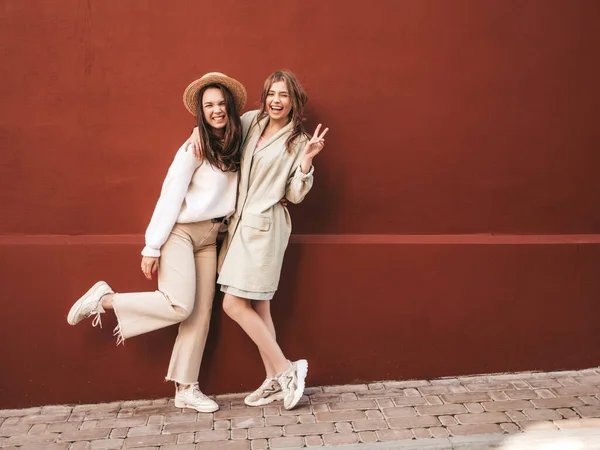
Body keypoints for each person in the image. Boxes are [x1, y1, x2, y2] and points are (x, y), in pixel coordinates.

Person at [67, 72, 246, 413]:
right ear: (201, 112)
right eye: (208, 106)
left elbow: (262, 121)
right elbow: (171, 193)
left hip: (211, 238)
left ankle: (186, 388)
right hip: (181, 231)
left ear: (231, 107)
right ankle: (104, 300)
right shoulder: (194, 147)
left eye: (221, 103)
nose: (216, 110)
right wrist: (152, 245)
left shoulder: (240, 140)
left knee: (201, 314)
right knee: (179, 304)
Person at [189, 70, 328, 410]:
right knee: (260, 305)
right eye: (271, 94)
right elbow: (222, 126)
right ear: (264, 97)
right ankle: (273, 381)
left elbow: (294, 195)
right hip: (238, 227)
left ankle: (285, 369)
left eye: (283, 95)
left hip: (265, 229)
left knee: (233, 304)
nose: (276, 101)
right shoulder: (252, 122)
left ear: (294, 101)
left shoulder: (297, 141)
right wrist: (197, 129)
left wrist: (307, 161)